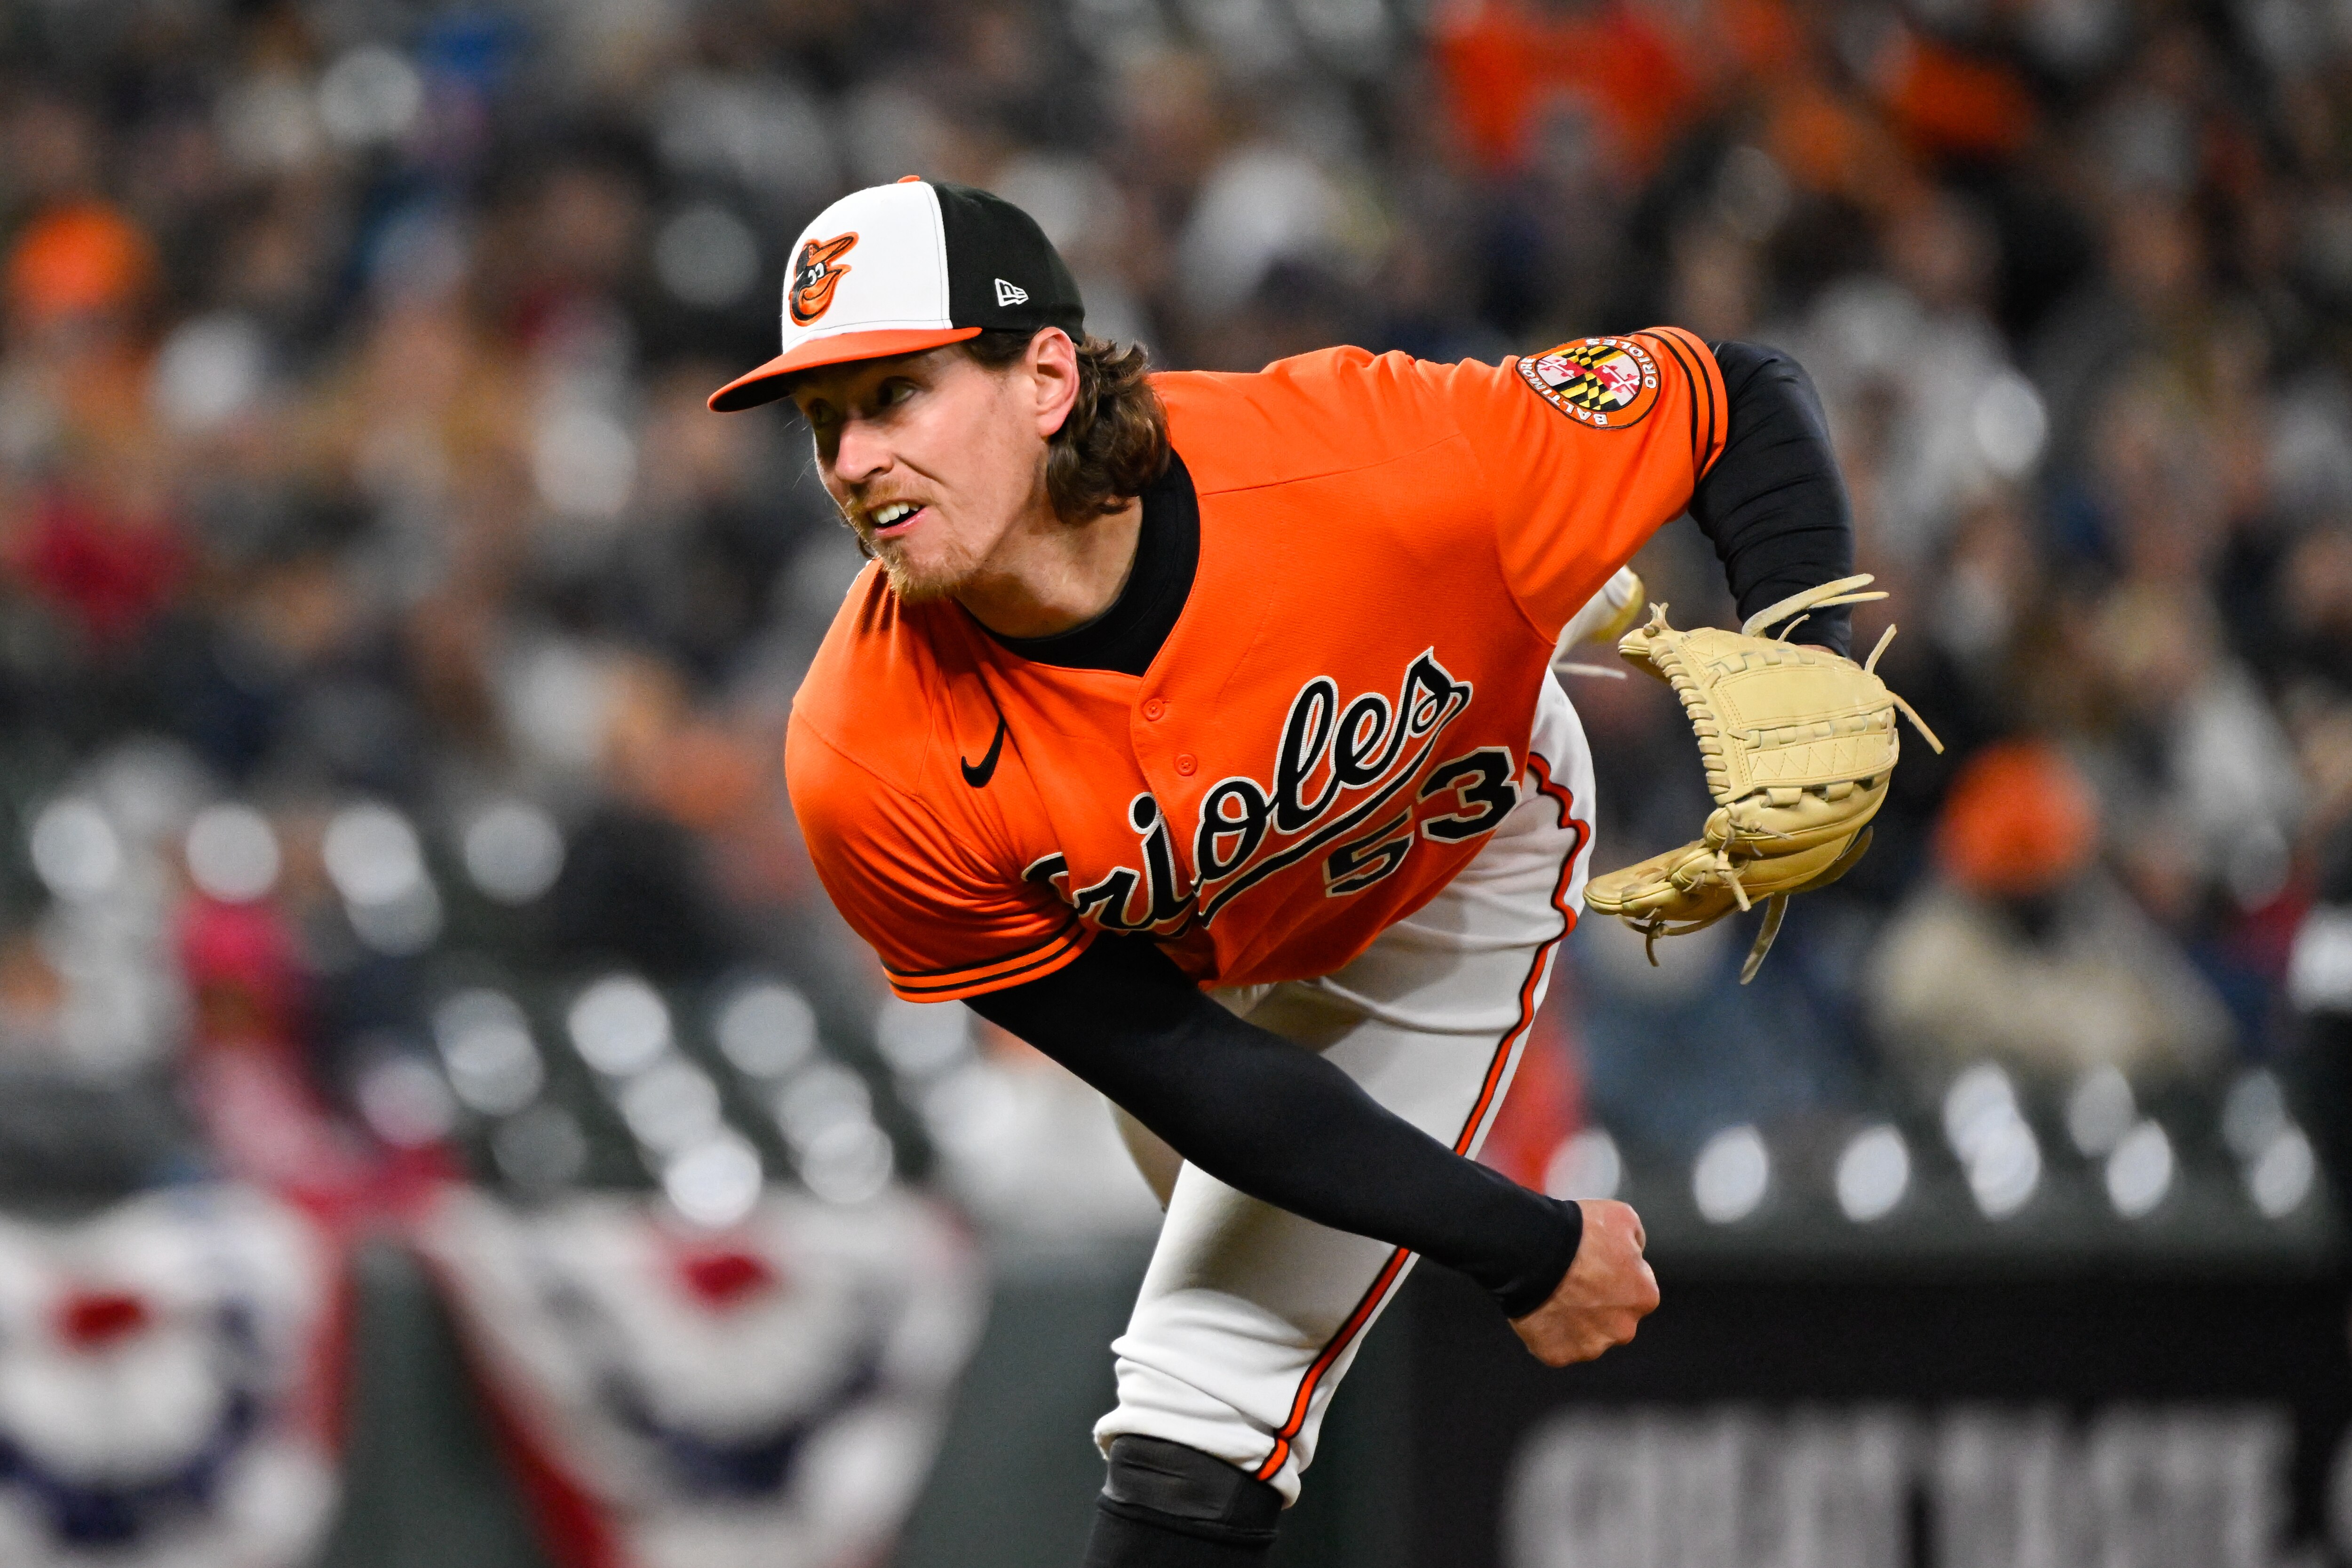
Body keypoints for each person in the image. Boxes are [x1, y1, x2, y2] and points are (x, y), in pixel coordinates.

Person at [710, 177, 1863, 1567]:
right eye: (824, 423)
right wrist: (1521, 1242)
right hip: (1208, 979)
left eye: (894, 397)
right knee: (1259, 1322)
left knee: (1206, 1393)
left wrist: (1813, 674)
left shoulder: (1370, 461)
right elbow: (1197, 1078)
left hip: (1448, 862)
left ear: (1046, 378)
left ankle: (1568, 602)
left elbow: (1731, 392)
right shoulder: (862, 752)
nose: (852, 462)